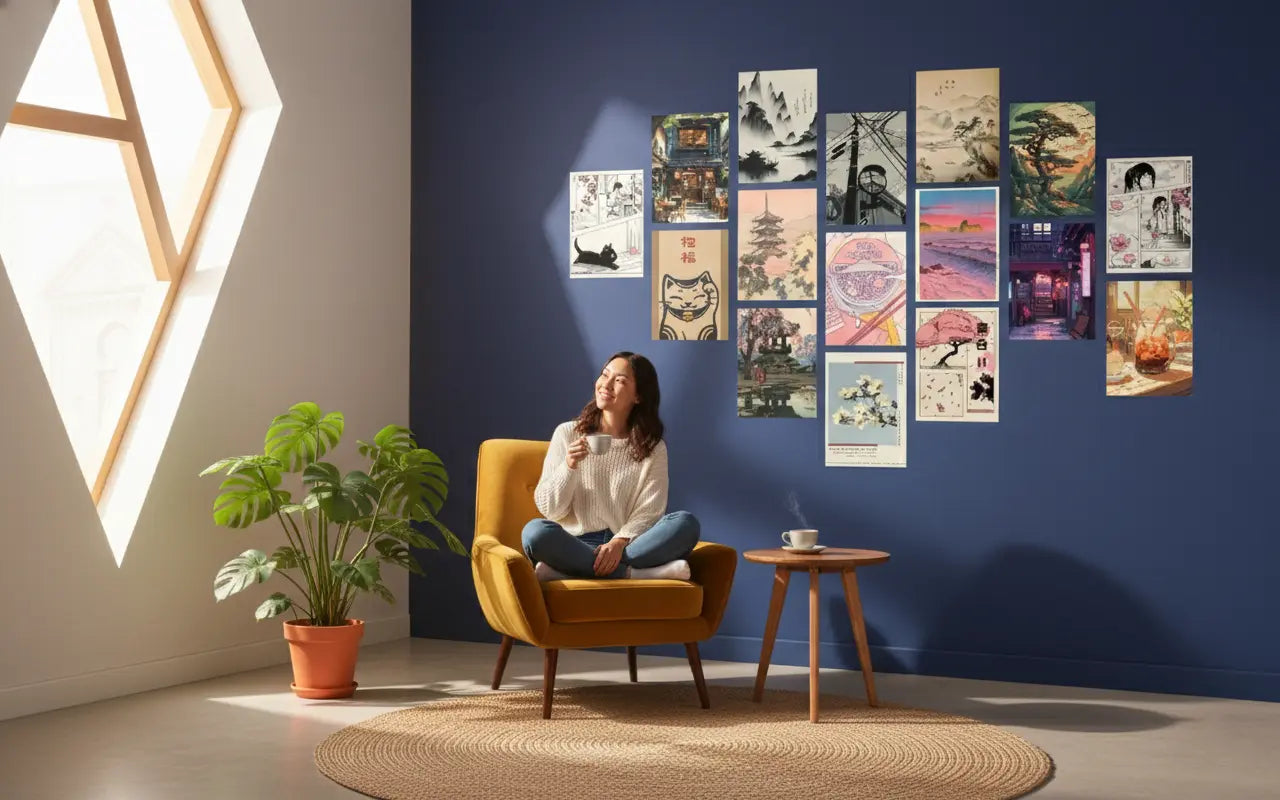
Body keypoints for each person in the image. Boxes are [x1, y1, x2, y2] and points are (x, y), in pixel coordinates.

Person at [522, 351, 700, 581]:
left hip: (629, 544)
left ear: (638, 397)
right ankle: (632, 574)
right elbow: (550, 509)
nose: (606, 384)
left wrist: (619, 541)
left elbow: (650, 510)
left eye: (620, 381)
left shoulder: (653, 448)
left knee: (686, 524)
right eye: (604, 375)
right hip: (574, 542)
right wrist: (569, 466)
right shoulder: (567, 433)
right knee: (535, 533)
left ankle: (567, 570)